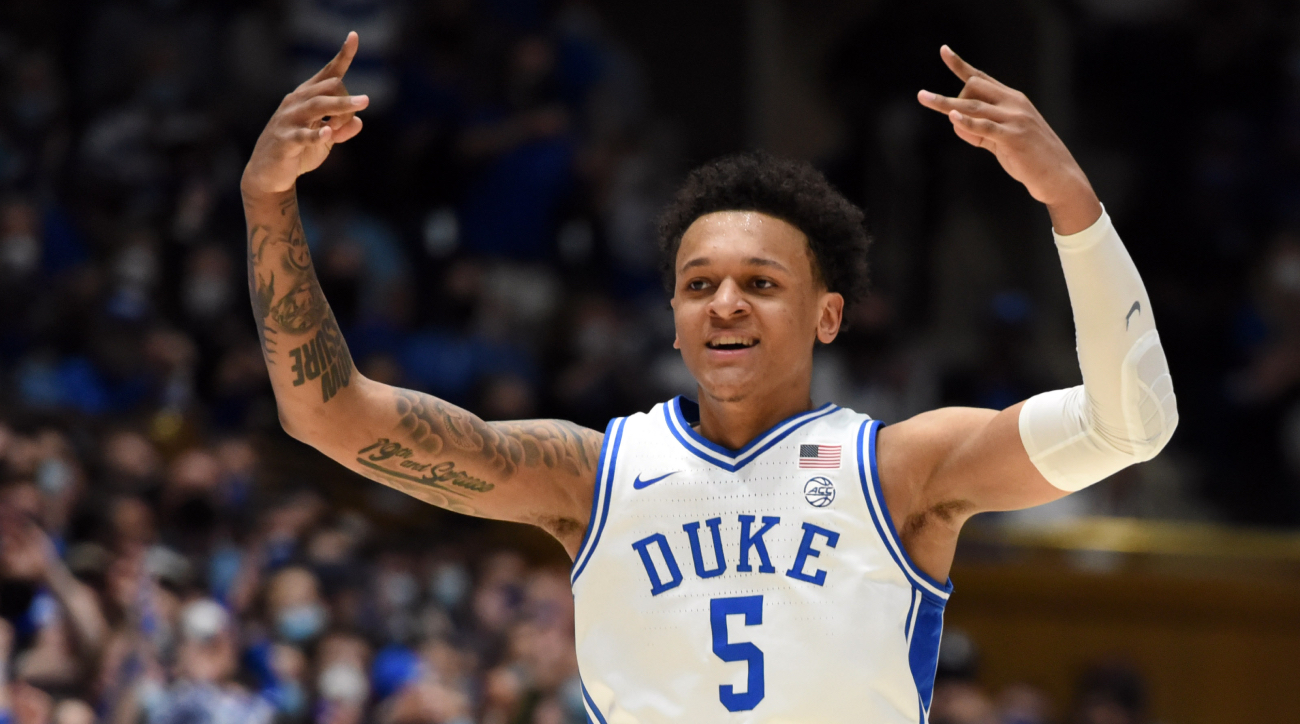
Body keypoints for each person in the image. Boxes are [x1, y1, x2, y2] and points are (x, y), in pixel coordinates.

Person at [241, 33, 1178, 724]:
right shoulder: (592, 474)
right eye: (699, 286)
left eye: (760, 284)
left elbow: (1131, 424)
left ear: (828, 316)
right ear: (674, 317)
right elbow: (329, 416)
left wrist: (1070, 201)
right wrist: (269, 199)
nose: (724, 304)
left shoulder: (900, 470)